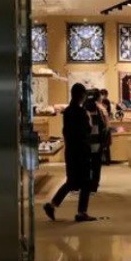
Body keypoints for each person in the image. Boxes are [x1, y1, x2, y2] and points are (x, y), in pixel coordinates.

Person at [44, 83, 98, 222]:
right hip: (82, 151)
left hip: (71, 151)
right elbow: (87, 130)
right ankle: (82, 212)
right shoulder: (81, 112)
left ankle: (52, 204)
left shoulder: (67, 112)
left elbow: (66, 131)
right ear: (81, 96)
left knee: (71, 181)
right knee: (86, 182)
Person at [98, 89, 114, 164]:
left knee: (105, 143)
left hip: (104, 124)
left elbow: (107, 112)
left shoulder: (105, 102)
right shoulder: (102, 102)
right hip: (105, 123)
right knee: (105, 144)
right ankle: (106, 160)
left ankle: (106, 161)